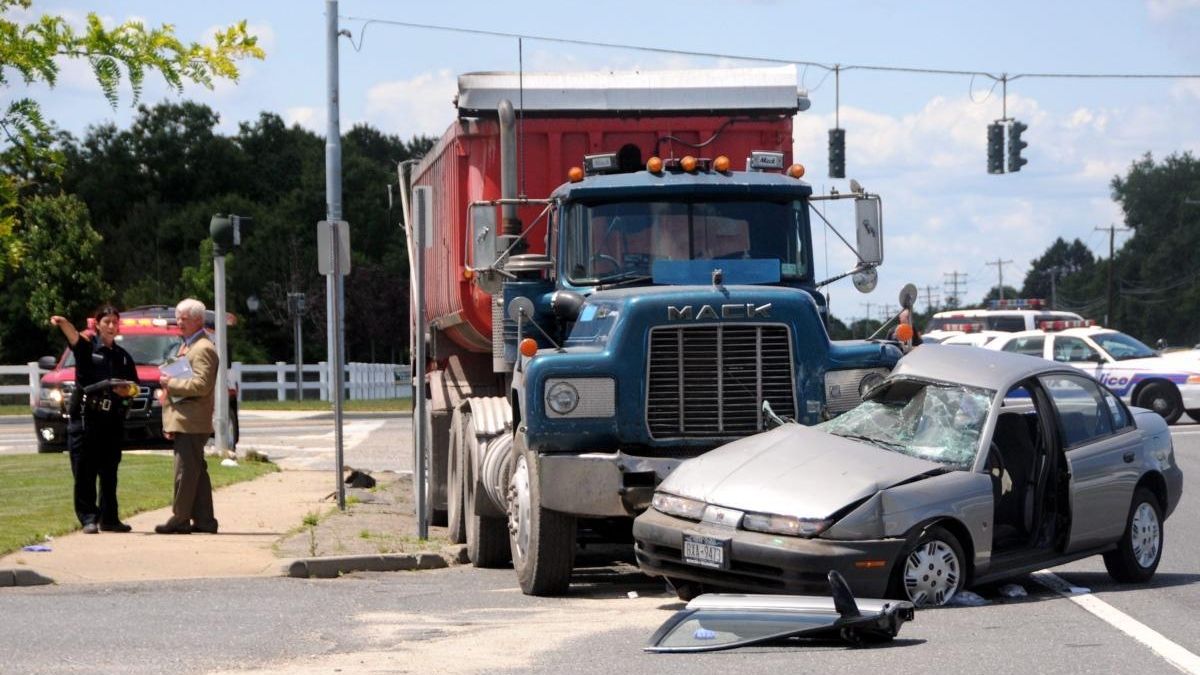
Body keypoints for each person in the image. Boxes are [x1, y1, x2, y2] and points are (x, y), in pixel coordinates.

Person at [50, 307, 139, 534]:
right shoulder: (87, 349)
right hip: (85, 419)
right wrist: (63, 322)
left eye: (114, 322)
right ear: (97, 325)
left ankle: (110, 519)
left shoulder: (122, 356)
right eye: (107, 322)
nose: (111, 326)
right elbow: (72, 336)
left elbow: (135, 387)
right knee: (85, 472)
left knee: (109, 472)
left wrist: (126, 391)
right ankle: (89, 518)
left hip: (111, 422)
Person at [154, 298, 220, 535]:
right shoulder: (188, 346)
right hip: (185, 419)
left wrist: (171, 383)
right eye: (178, 317)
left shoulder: (203, 348)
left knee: (184, 472)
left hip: (192, 421)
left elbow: (202, 385)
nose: (179, 322)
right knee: (196, 473)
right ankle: (204, 520)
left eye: (184, 318)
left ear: (198, 320)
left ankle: (180, 519)